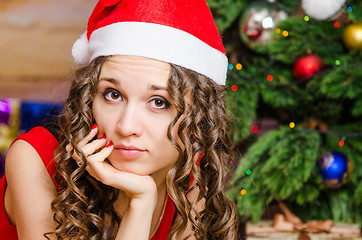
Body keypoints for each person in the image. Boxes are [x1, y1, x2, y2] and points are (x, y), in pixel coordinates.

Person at [0, 0, 239, 239]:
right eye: (113, 95)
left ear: (198, 115)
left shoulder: (189, 171)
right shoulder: (36, 158)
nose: (126, 127)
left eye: (159, 102)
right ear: (88, 96)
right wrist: (142, 202)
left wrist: (141, 198)